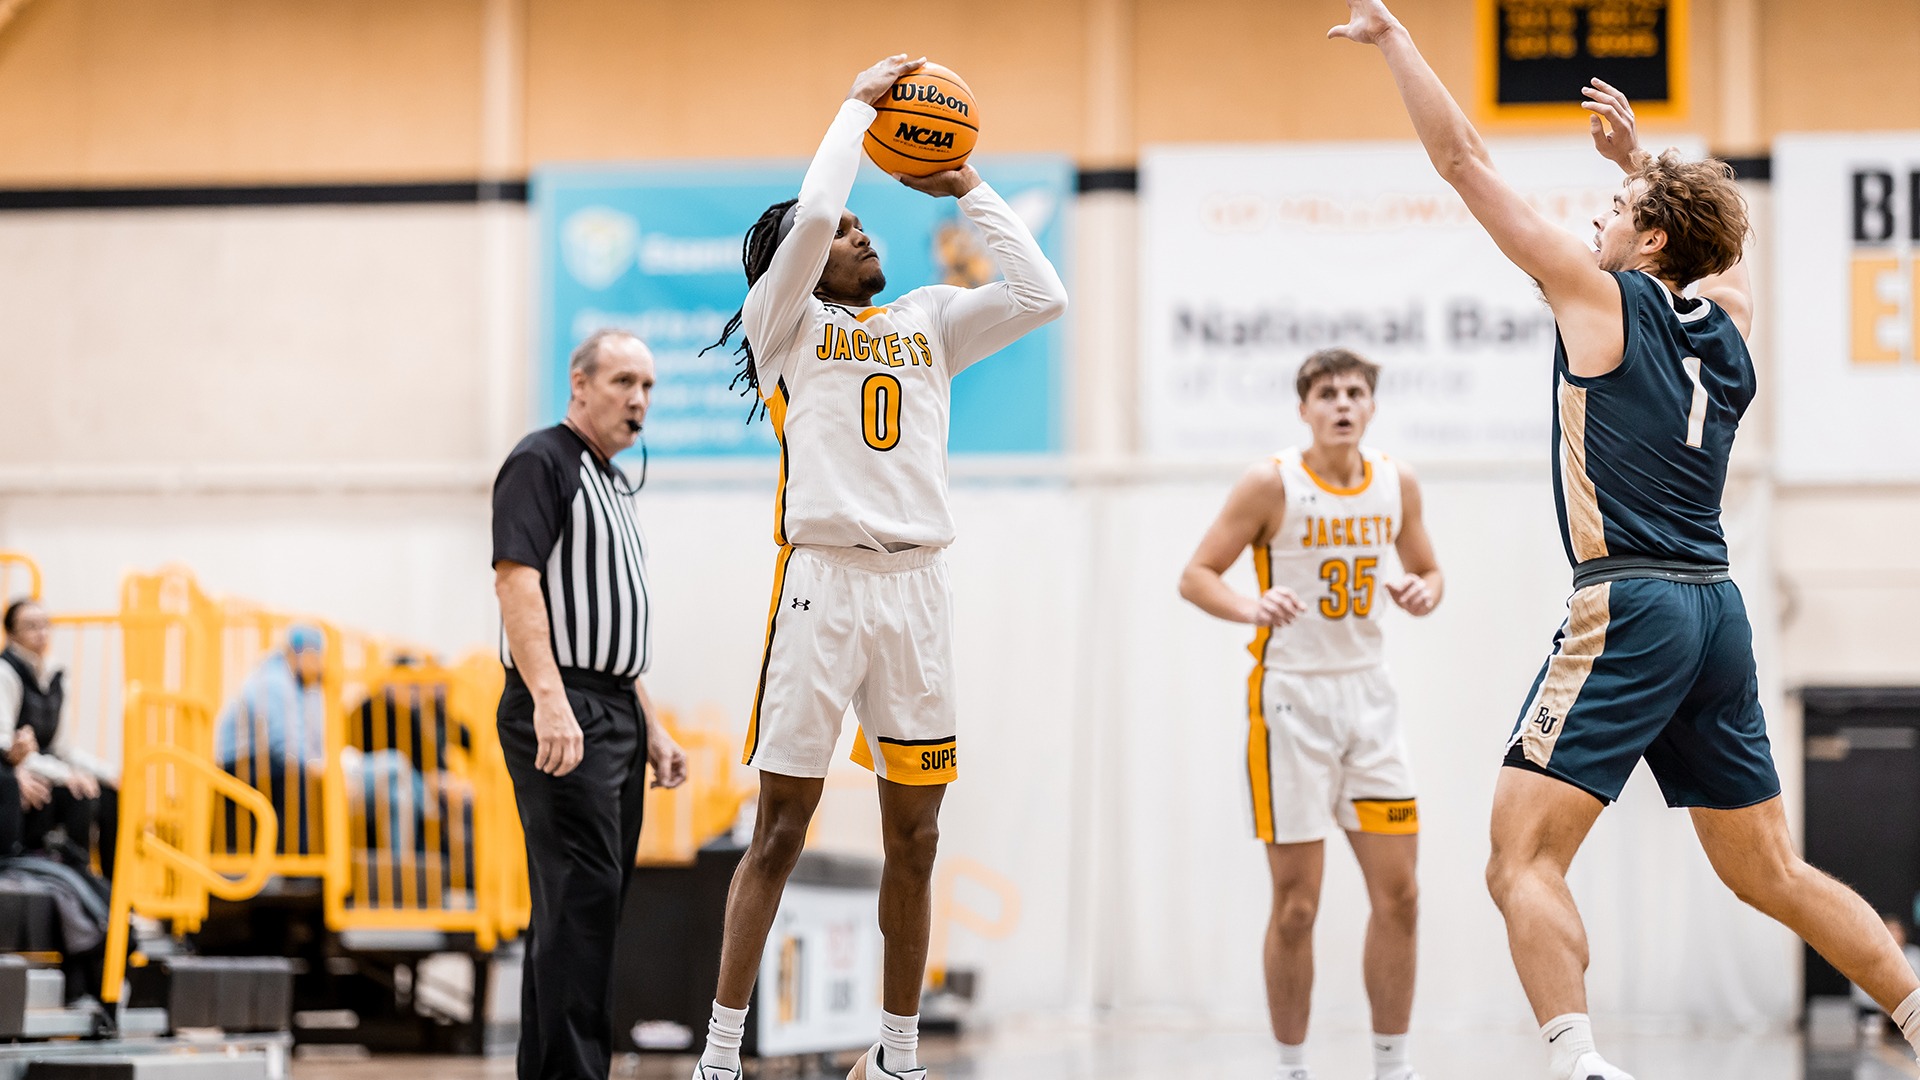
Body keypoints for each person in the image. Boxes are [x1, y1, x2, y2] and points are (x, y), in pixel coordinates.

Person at [1328, 2, 1920, 1076]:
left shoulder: (1601, 302)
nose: (1601, 217)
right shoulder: (1728, 331)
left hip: (1633, 601)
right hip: (1717, 611)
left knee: (1518, 860)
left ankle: (1580, 1063)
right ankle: (1919, 1010)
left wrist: (1396, 42)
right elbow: (1725, 260)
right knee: (1771, 870)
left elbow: (1463, 161)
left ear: (1649, 242)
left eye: (1620, 207)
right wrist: (1652, 164)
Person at [692, 55, 1067, 1080]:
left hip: (917, 593)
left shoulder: (932, 320)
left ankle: (898, 1057)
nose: (863, 234)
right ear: (800, 268)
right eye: (849, 234)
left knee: (918, 833)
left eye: (866, 228)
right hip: (822, 585)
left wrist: (971, 188)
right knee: (779, 828)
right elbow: (812, 221)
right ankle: (720, 1057)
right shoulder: (789, 327)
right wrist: (857, 114)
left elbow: (1043, 294)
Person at [1179, 349, 1443, 1080]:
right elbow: (1195, 575)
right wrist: (1248, 605)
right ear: (1304, 409)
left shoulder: (1396, 482)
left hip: (1369, 698)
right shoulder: (1273, 483)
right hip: (1290, 699)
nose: (1343, 403)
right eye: (1327, 393)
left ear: (1372, 406)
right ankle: (1292, 1066)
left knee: (1403, 895)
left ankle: (1392, 1065)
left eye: (1356, 391)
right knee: (1298, 905)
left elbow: (1430, 570)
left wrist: (1425, 590)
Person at [492, 327, 689, 1080]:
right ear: (579, 386)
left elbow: (608, 628)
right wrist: (548, 698)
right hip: (563, 707)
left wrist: (651, 724)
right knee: (582, 898)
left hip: (610, 710)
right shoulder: (541, 460)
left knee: (583, 907)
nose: (638, 400)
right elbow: (517, 579)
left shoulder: (609, 479)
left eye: (647, 386)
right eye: (622, 382)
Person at [1, 599, 113, 867]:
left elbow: (63, 748)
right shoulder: (6, 671)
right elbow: (6, 745)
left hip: (44, 763)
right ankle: (76, 880)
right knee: (78, 793)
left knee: (109, 793)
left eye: (45, 625)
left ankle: (113, 892)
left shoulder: (55, 674)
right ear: (11, 633)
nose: (41, 633)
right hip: (20, 766)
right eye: (30, 626)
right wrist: (66, 775)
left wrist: (106, 772)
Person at [214, 623, 327, 856]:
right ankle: (299, 867)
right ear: (301, 654)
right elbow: (285, 744)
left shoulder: (297, 686)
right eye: (317, 658)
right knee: (298, 779)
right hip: (237, 764)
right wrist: (318, 767)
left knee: (303, 776)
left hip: (261, 761)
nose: (321, 666)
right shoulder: (274, 682)